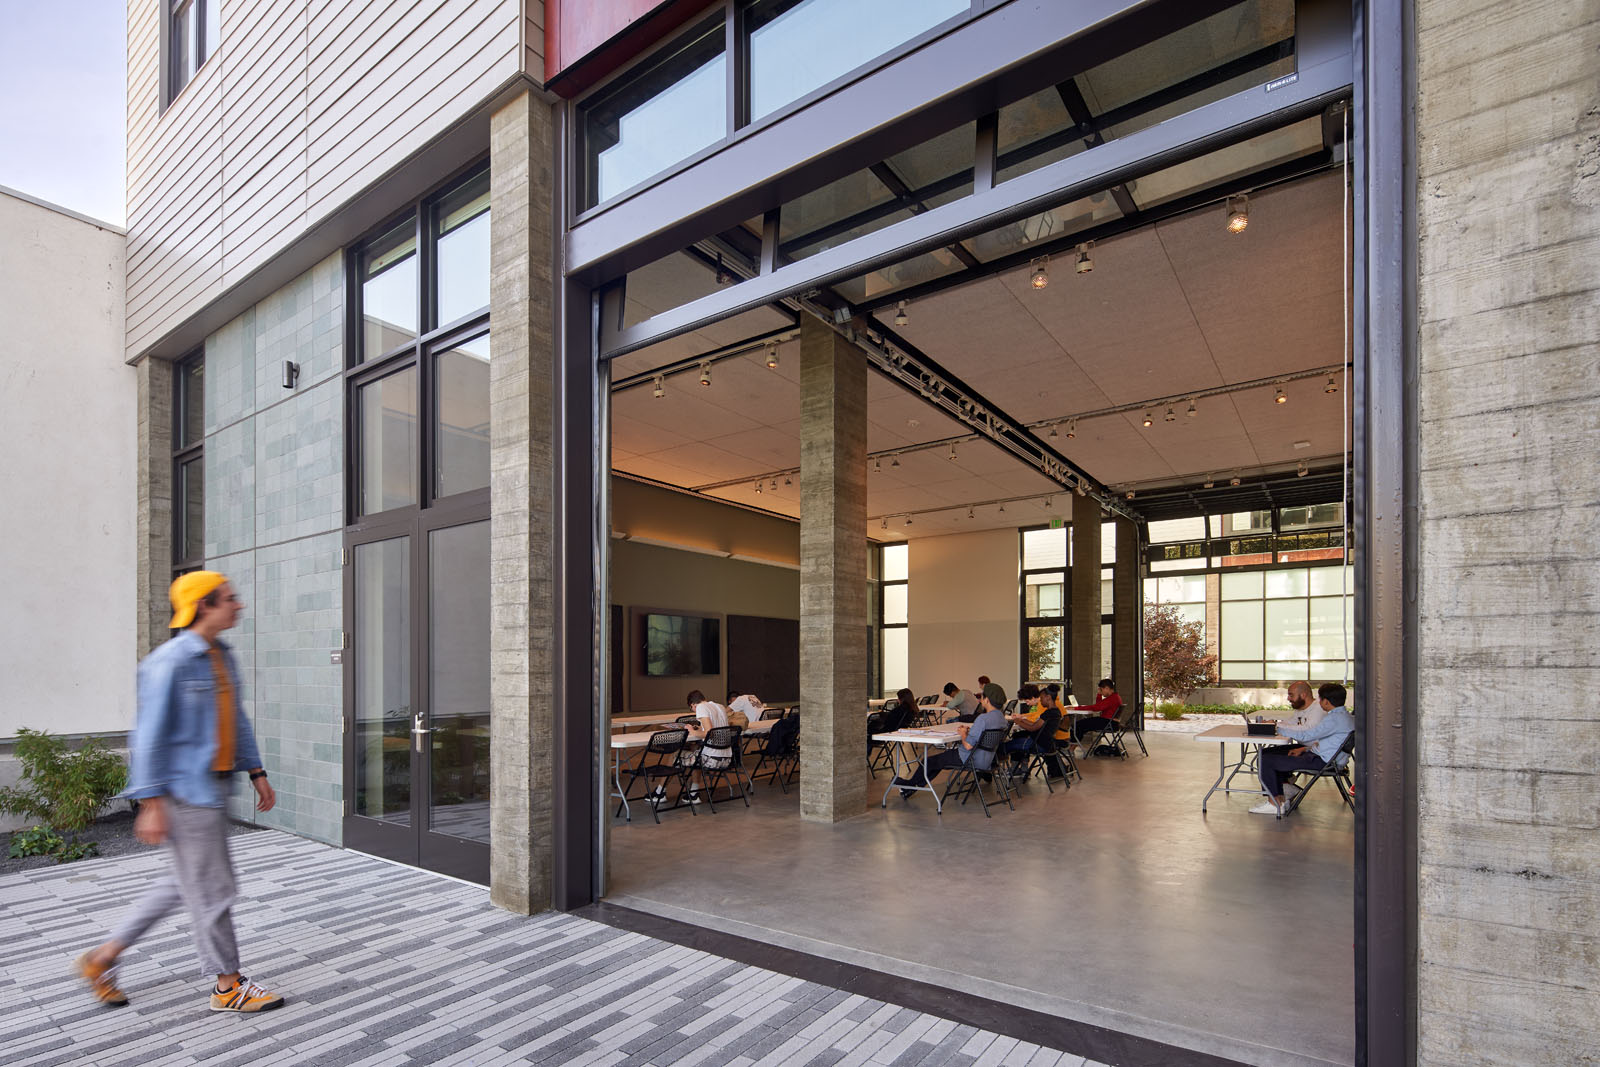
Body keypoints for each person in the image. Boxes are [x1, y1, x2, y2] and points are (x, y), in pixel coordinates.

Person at [75, 572, 284, 1013]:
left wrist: (256, 770)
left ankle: (102, 957)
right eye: (230, 599)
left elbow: (236, 720)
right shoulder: (169, 662)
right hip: (186, 792)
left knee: (183, 883)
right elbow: (148, 736)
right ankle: (228, 986)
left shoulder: (221, 656)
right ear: (205, 606)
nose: (238, 606)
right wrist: (150, 802)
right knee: (213, 889)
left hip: (214, 787)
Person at [1251, 682, 1356, 816]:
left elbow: (1306, 734)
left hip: (1323, 762)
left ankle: (1275, 804)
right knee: (1271, 755)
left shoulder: (1333, 720)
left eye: (1320, 699)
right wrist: (1304, 749)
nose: (1318, 702)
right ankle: (1283, 798)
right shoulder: (1346, 717)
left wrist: (1276, 728)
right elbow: (1329, 744)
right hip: (1328, 759)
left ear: (1326, 701)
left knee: (1266, 760)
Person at [892, 683, 1009, 795]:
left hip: (969, 758)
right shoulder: (1002, 719)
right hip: (988, 760)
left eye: (982, 697)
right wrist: (968, 733)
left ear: (987, 700)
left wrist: (963, 733)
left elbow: (968, 745)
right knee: (937, 761)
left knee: (929, 761)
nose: (980, 700)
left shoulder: (983, 719)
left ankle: (909, 785)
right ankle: (910, 788)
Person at [1004, 685, 1062, 776]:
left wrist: (1017, 721)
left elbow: (1033, 727)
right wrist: (1021, 719)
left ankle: (1014, 769)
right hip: (1046, 743)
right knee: (1016, 738)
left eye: (1041, 698)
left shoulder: (1048, 713)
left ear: (1048, 698)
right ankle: (1021, 768)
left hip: (1038, 744)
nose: (1040, 700)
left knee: (1005, 746)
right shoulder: (1055, 712)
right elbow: (1035, 723)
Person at [1069, 678, 1124, 756]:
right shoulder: (1115, 697)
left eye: (1101, 690)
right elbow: (1098, 706)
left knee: (1077, 725)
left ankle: (1071, 749)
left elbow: (1096, 708)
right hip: (1110, 723)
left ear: (1107, 688)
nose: (1101, 692)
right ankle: (1071, 748)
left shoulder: (1112, 699)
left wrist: (1076, 708)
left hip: (1107, 723)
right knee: (1081, 725)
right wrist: (1099, 695)